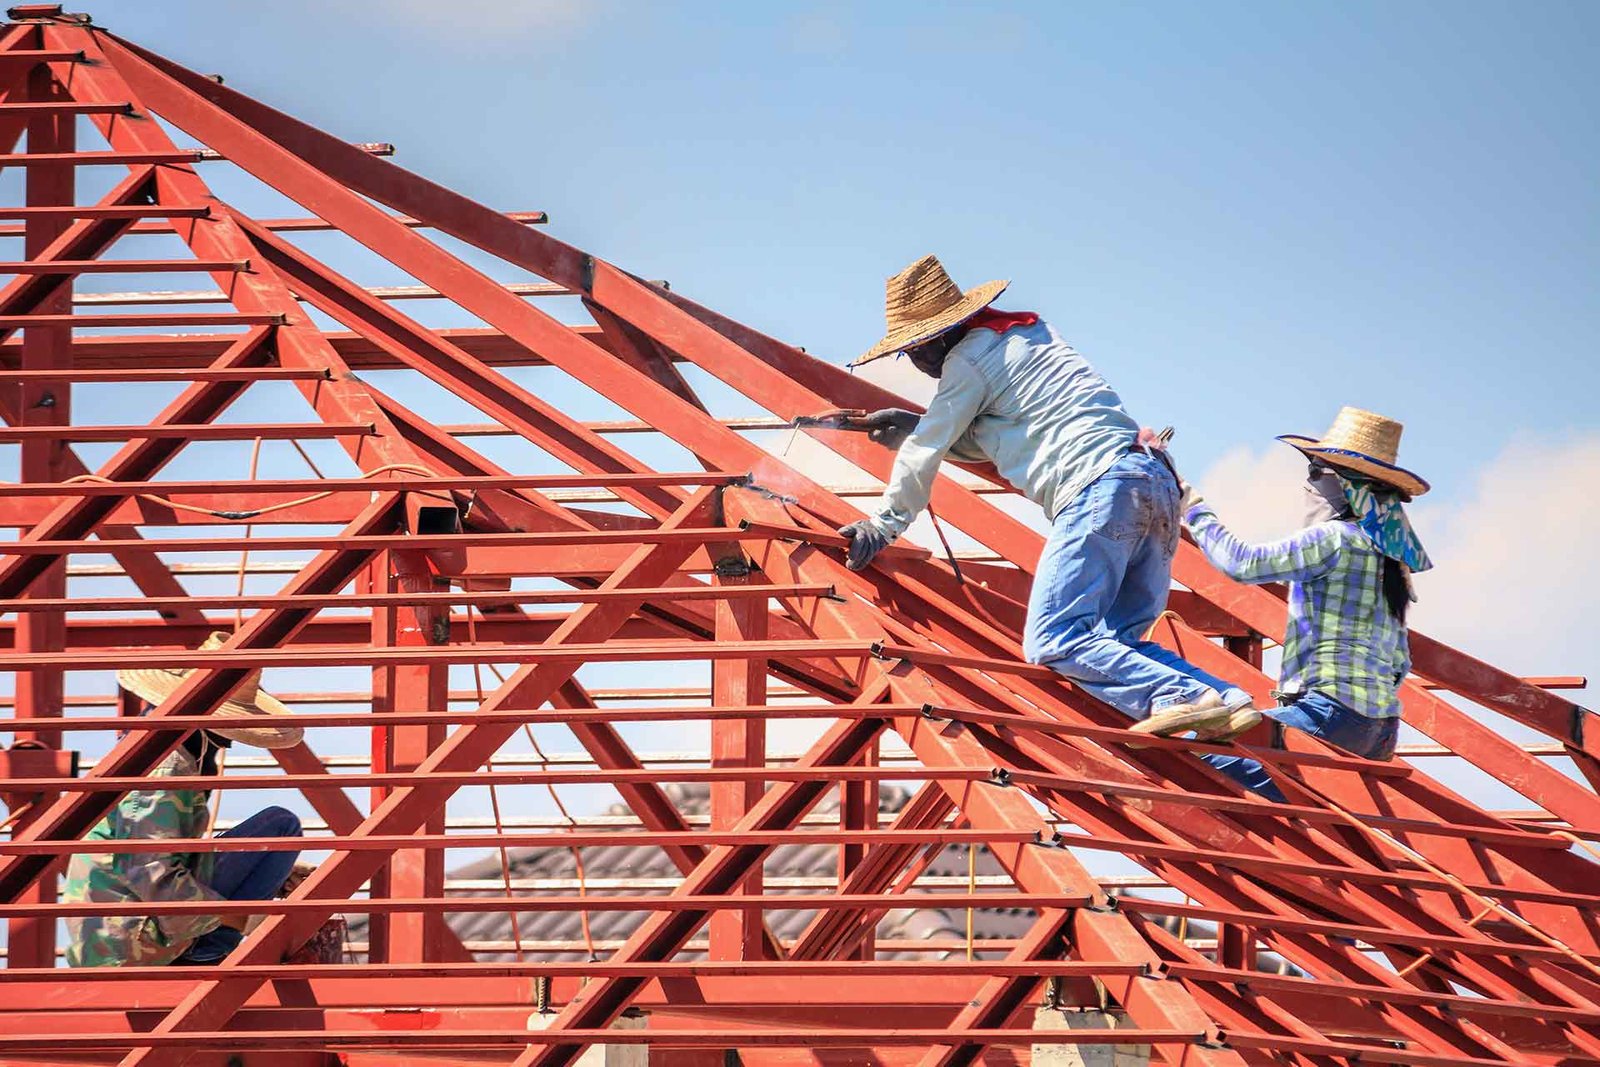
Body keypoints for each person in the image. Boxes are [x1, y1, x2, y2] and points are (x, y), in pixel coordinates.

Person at [837, 254, 1260, 742]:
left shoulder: (964, 361)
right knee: (1117, 645)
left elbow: (924, 450)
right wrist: (923, 427)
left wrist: (883, 523)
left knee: (1055, 638)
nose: (914, 362)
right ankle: (1227, 700)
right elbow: (1009, 432)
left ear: (935, 339)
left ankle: (1182, 697)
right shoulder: (1029, 335)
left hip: (1099, 488)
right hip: (1155, 482)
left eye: (912, 350)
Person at [1180, 407, 1431, 801]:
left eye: (1315, 472)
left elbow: (1243, 563)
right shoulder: (1391, 559)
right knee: (1285, 801)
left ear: (1345, 485)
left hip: (1328, 715)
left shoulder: (1334, 538)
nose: (1308, 483)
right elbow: (1400, 662)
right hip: (1380, 731)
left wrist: (1193, 509)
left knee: (1188, 757)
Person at [64, 631, 310, 967]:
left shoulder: (154, 750)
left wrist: (274, 874)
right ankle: (203, 952)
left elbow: (153, 854)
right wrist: (239, 918)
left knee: (274, 840)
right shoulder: (164, 768)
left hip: (120, 934)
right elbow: (149, 869)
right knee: (279, 828)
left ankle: (206, 944)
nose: (226, 747)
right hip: (132, 942)